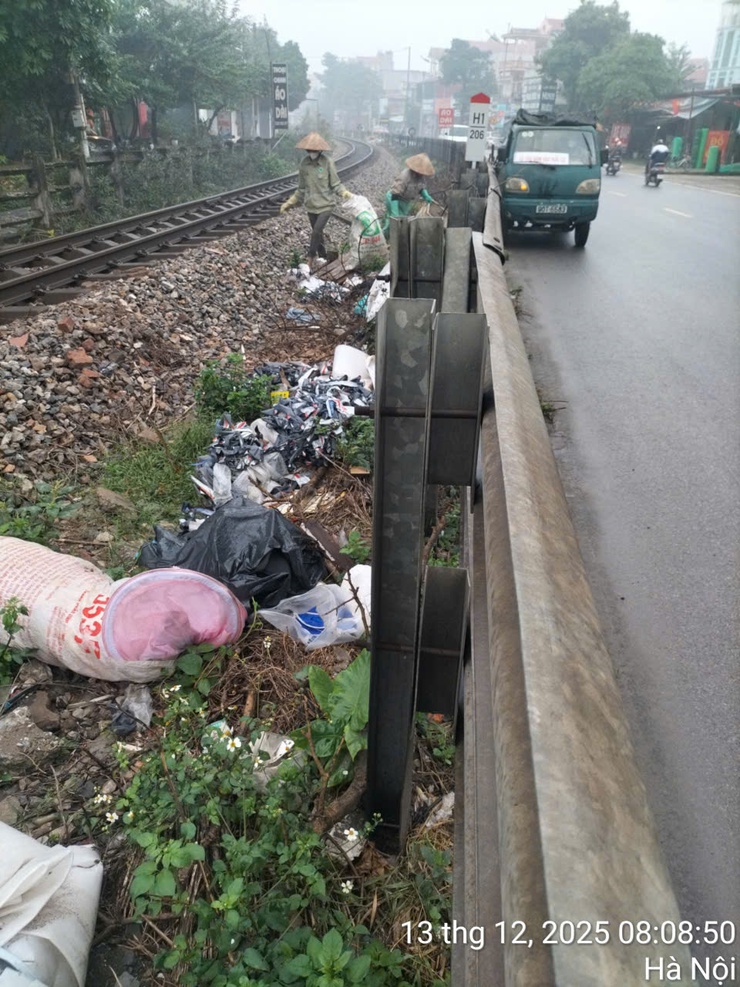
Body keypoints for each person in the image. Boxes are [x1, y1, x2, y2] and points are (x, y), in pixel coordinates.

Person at [279, 132, 352, 270]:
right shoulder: (304, 164)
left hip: (326, 205)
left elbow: (336, 184)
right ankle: (323, 258)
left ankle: (310, 261)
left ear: (320, 150)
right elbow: (301, 189)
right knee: (318, 233)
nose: (311, 152)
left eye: (314, 150)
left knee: (316, 232)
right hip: (311, 206)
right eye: (309, 150)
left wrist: (344, 192)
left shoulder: (327, 162)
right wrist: (290, 202)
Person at [382, 152, 435, 236]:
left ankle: (394, 238)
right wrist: (395, 212)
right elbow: (395, 192)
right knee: (393, 221)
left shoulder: (421, 177)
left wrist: (425, 195)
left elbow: (421, 187)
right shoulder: (405, 175)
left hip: (405, 201)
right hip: (394, 199)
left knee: (402, 222)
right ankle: (384, 237)